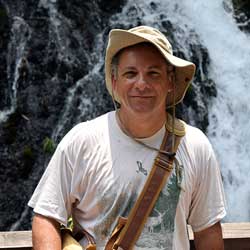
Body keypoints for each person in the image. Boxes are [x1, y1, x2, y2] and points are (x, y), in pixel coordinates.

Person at [28, 26, 226, 250]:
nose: (141, 84)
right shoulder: (82, 141)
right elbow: (46, 217)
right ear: (115, 81)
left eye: (153, 73)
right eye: (130, 73)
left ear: (170, 82)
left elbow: (207, 230)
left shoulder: (196, 147)